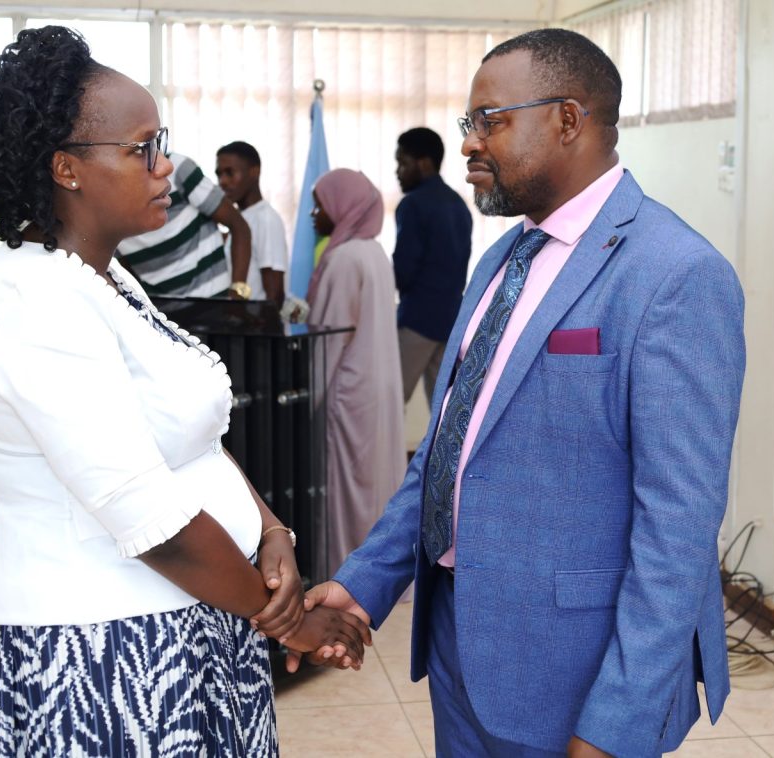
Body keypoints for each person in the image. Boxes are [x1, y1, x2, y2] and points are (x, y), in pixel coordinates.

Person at [294, 28, 746, 758]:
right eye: (468, 123)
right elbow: (445, 455)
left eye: (489, 121)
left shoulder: (674, 274)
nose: (469, 143)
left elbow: (679, 531)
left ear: (569, 119)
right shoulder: (503, 258)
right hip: (458, 646)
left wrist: (618, 723)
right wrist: (364, 582)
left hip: (574, 674)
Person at [0, 26, 368, 757]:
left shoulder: (108, 279)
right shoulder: (35, 299)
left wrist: (272, 530)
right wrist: (290, 621)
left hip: (189, 624)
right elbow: (152, 518)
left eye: (164, 143)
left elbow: (194, 444)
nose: (167, 169)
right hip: (101, 657)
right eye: (142, 148)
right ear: (67, 169)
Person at [306, 168, 405, 578]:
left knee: (346, 488)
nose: (314, 215)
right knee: (376, 485)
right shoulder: (374, 251)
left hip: (348, 389)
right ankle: (380, 573)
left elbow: (328, 339)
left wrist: (310, 399)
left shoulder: (344, 258)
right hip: (378, 384)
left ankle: (347, 573)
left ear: (343, 208)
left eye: (321, 204)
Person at [392, 128, 472, 407]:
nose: (397, 171)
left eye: (402, 162)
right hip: (451, 319)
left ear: (423, 163)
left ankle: (381, 454)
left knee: (388, 404)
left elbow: (404, 268)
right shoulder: (458, 204)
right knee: (445, 411)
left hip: (417, 321)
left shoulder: (412, 205)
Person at [116, 149, 254, 300]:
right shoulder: (103, 203)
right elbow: (123, 270)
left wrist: (237, 296)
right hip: (162, 314)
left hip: (214, 306)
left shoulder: (177, 168)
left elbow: (239, 225)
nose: (165, 165)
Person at [215, 141, 288, 308]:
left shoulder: (266, 219)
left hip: (256, 328)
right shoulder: (239, 220)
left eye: (230, 173)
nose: (223, 181)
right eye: (219, 174)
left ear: (254, 172)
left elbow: (275, 293)